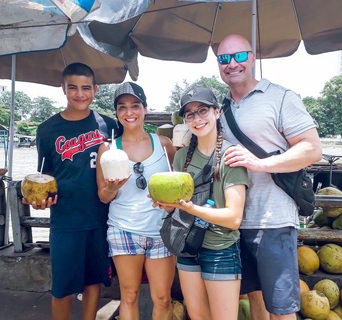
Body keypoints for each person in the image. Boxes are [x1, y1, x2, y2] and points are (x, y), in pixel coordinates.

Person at [216, 34, 322, 320]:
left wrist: (260, 164)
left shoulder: (280, 97)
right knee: (254, 297)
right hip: (234, 221)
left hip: (273, 220)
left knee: (281, 306)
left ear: (252, 58)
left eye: (239, 56)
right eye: (224, 59)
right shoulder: (219, 109)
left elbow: (312, 149)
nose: (232, 64)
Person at [24, 62, 118, 320]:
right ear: (63, 88)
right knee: (62, 286)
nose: (80, 94)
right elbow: (43, 177)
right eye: (73, 87)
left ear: (95, 90)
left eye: (86, 88)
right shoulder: (46, 130)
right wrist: (38, 200)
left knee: (92, 281)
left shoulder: (109, 126)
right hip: (64, 219)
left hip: (101, 218)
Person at [153, 87, 248, 320]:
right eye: (190, 114)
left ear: (216, 113)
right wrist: (165, 203)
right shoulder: (181, 156)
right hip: (187, 245)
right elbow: (175, 207)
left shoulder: (230, 157)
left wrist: (192, 209)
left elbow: (234, 219)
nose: (197, 119)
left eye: (203, 111)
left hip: (220, 248)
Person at [96, 82, 176, 320]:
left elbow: (177, 185)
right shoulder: (107, 149)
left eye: (135, 106)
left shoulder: (163, 145)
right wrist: (112, 188)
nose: (129, 112)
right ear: (117, 114)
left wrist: (171, 203)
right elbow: (102, 196)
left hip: (161, 230)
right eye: (122, 107)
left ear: (145, 109)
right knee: (128, 296)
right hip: (123, 229)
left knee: (162, 298)